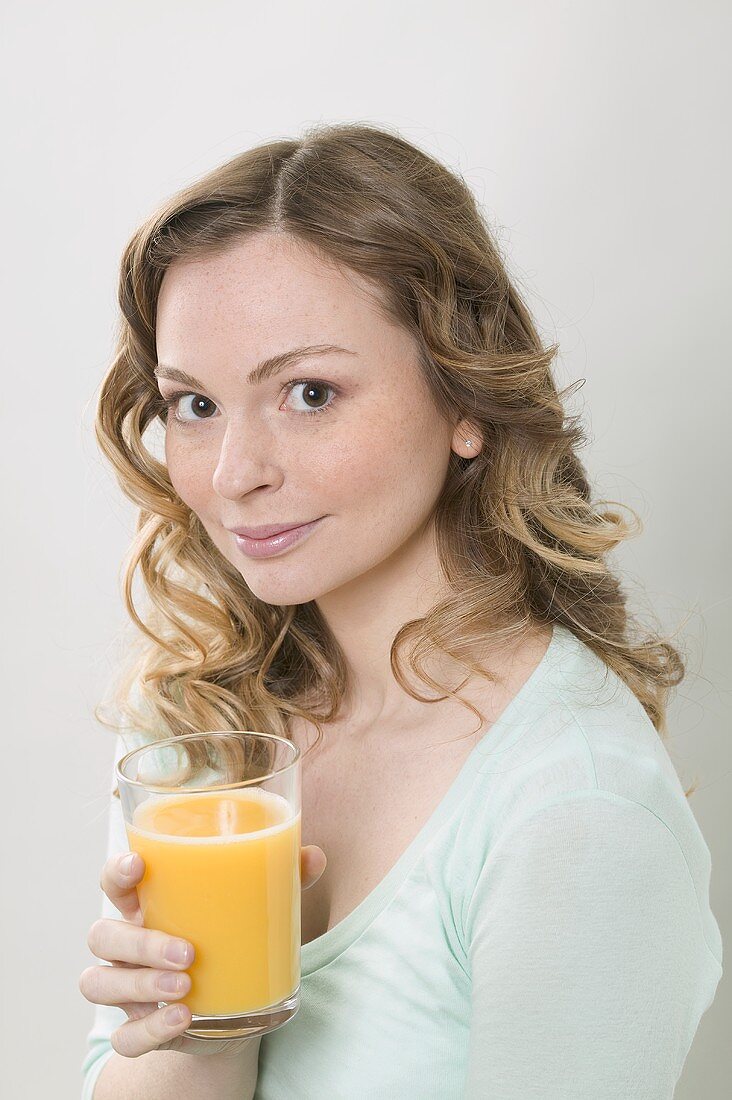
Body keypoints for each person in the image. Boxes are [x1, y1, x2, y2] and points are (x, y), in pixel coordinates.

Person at [79, 122, 723, 1099]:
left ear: (465, 395)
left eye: (308, 391)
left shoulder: (574, 814)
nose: (234, 474)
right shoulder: (197, 728)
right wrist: (196, 1034)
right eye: (194, 404)